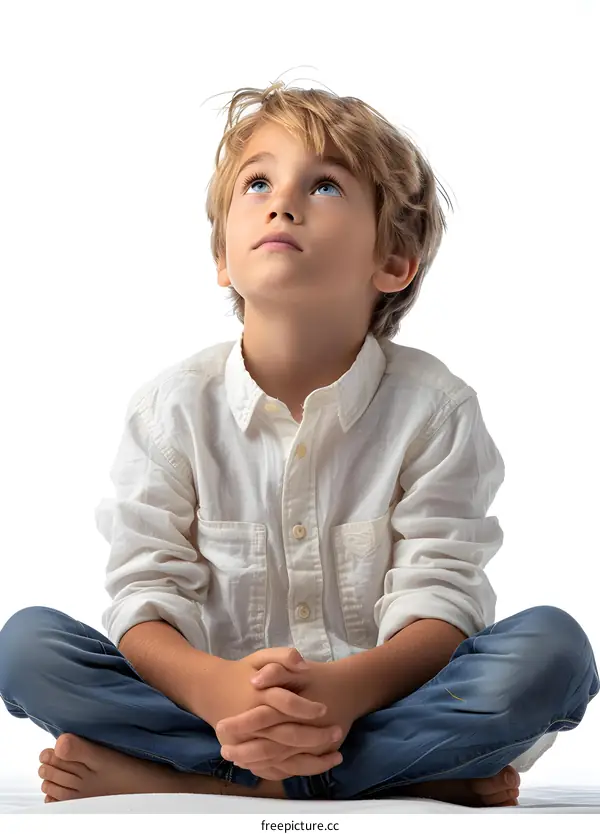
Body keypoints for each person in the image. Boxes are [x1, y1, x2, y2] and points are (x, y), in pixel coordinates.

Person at [0, 80, 598, 808]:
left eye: (325, 186)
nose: (282, 201)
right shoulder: (170, 409)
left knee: (553, 653)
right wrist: (218, 691)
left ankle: (214, 782)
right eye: (258, 182)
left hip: (380, 702)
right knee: (27, 647)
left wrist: (343, 692)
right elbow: (146, 595)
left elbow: (440, 600)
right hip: (210, 710)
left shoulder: (435, 409)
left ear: (393, 262)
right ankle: (377, 777)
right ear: (224, 257)